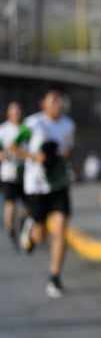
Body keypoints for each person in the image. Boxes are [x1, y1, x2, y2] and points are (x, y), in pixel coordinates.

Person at [11, 88, 76, 298]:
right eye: (54, 100)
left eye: (60, 99)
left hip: (58, 185)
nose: (58, 103)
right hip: (36, 187)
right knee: (40, 237)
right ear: (43, 104)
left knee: (61, 230)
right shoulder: (33, 124)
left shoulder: (69, 125)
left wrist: (66, 155)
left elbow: (68, 150)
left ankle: (54, 277)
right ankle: (30, 227)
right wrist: (33, 156)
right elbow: (13, 146)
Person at [0, 101, 26, 248]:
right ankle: (10, 230)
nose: (16, 113)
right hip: (8, 174)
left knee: (27, 205)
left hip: (25, 173)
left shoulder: (26, 129)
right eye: (13, 111)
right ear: (8, 113)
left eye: (18, 110)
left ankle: (23, 224)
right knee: (10, 204)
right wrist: (3, 156)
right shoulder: (2, 130)